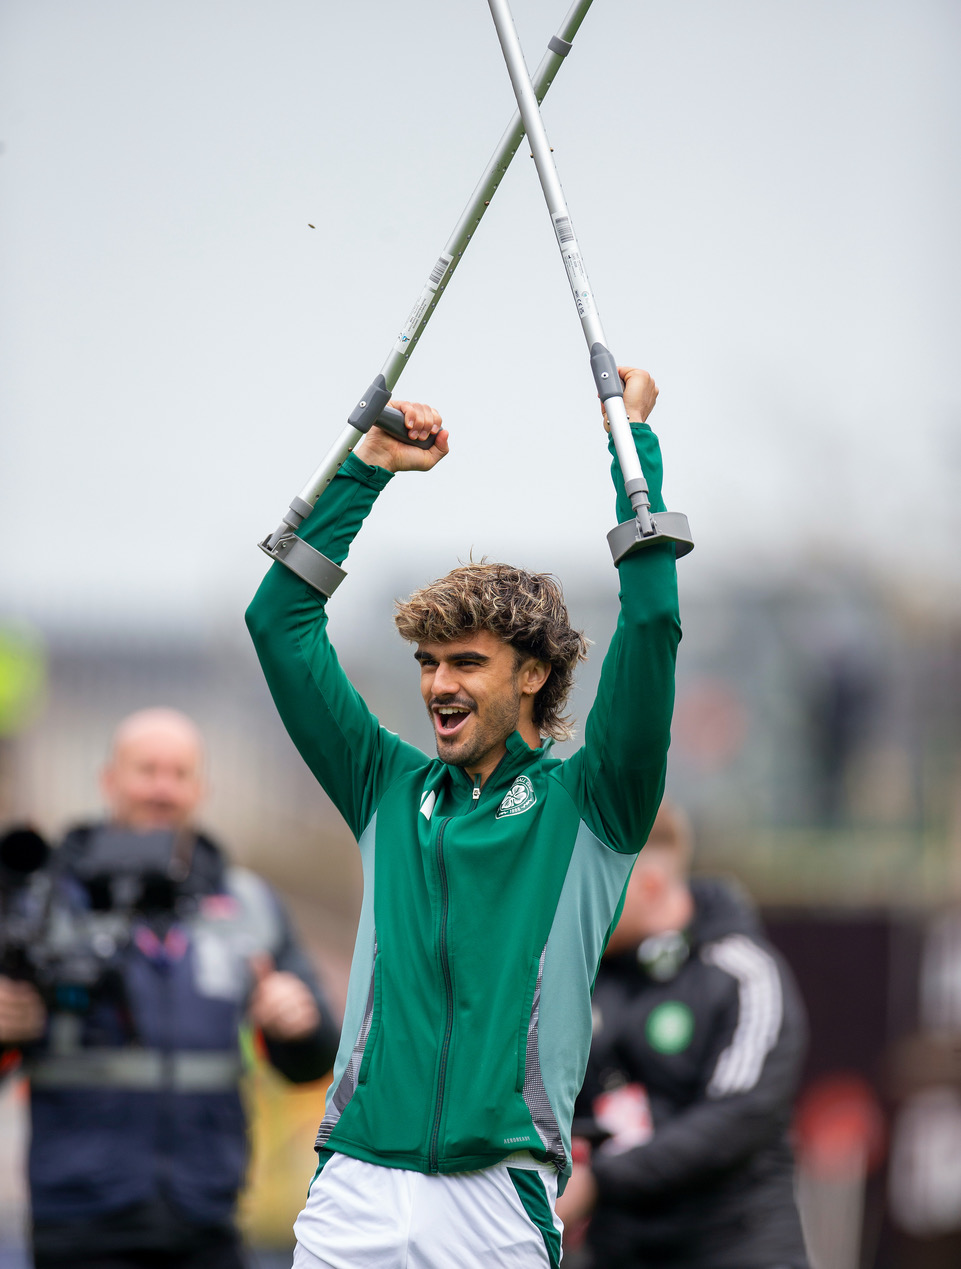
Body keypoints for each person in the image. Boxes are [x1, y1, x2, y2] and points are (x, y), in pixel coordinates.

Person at [245, 366, 681, 1267]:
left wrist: (629, 443)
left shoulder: (590, 801)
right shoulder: (385, 786)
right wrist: (365, 468)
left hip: (496, 1198)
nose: (438, 685)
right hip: (356, 1183)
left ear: (531, 675)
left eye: (466, 662)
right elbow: (279, 619)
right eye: (427, 661)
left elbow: (650, 626)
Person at [0, 707, 340, 1269]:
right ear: (109, 779)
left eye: (178, 773)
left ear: (199, 788)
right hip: (77, 1223)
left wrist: (297, 1024)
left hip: (207, 1216)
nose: (162, 788)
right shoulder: (42, 902)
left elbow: (312, 1061)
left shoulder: (247, 905)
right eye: (147, 770)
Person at [557, 801, 809, 1269]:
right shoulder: (578, 979)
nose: (577, 900)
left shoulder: (743, 973)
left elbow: (735, 1117)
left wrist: (598, 1181)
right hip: (617, 1252)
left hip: (738, 1250)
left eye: (594, 884)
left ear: (650, 884)